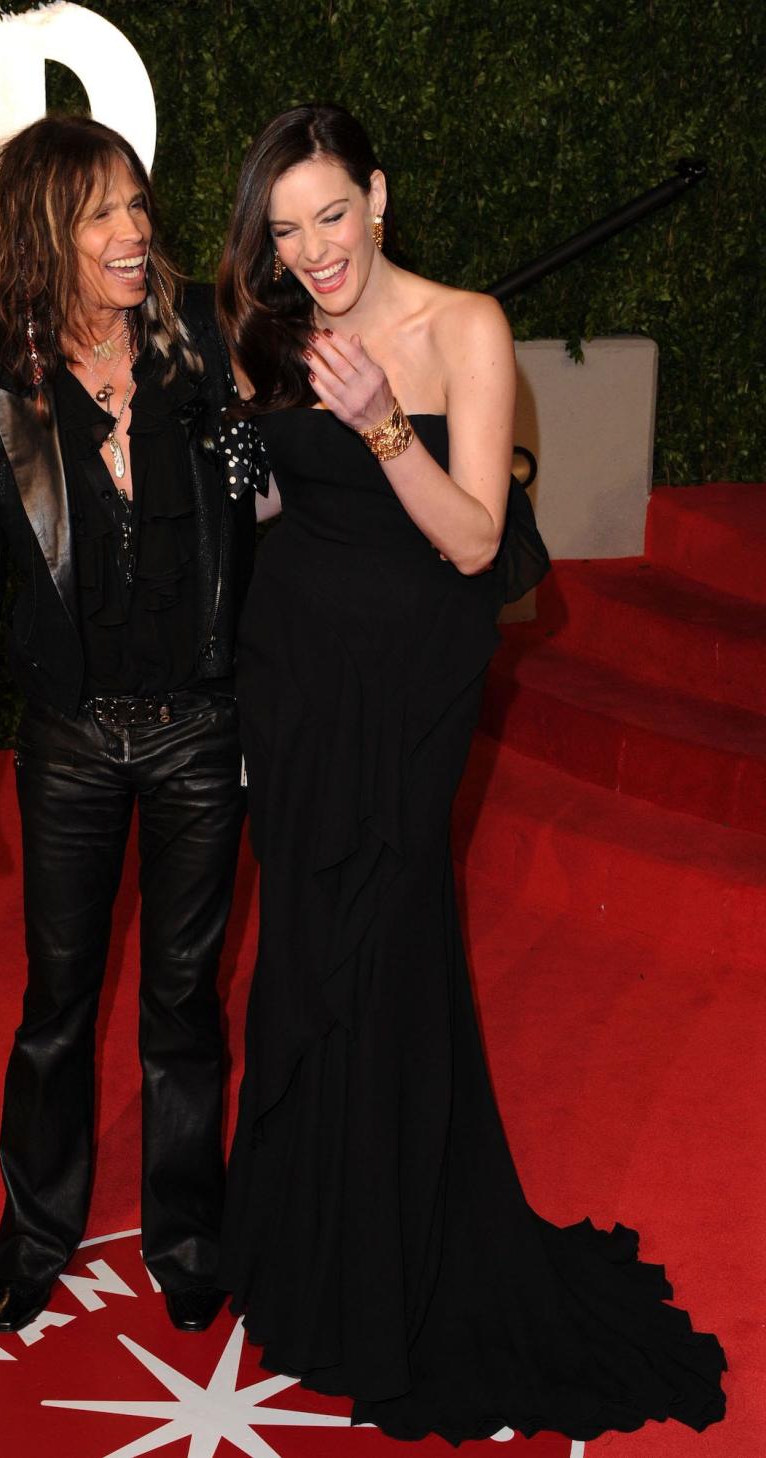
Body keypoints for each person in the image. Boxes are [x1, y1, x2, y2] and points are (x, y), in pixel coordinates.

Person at [215, 103, 726, 1444]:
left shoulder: (468, 328)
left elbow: (473, 540)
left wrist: (387, 421)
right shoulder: (275, 328)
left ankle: (397, 1281)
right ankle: (304, 1252)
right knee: (309, 956)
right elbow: (276, 509)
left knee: (387, 945)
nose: (316, 251)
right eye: (287, 229)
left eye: (334, 214)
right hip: (298, 681)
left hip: (413, 688)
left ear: (379, 195)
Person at [0, 114, 255, 1336]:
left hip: (201, 728)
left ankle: (189, 1234)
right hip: (72, 738)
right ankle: (35, 1233)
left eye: (138, 204)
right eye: (103, 211)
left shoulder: (202, 337)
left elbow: (274, 496)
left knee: (185, 1002)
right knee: (57, 1002)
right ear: (44, 230)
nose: (136, 230)